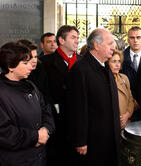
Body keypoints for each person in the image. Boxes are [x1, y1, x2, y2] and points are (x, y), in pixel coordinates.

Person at [66, 28, 120, 166]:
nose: (113, 47)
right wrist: (80, 140)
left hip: (109, 138)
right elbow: (77, 108)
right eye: (110, 43)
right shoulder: (80, 70)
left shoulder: (105, 66)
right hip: (92, 141)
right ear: (96, 45)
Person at [0, 42, 55, 166]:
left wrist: (46, 129)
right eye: (25, 63)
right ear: (10, 66)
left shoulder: (31, 85)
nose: (30, 67)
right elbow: (4, 133)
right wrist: (35, 137)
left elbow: (46, 110)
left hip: (39, 158)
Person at [39, 25, 80, 166]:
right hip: (56, 122)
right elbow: (42, 93)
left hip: (78, 122)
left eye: (78, 38)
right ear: (61, 40)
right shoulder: (45, 63)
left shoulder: (82, 62)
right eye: (73, 38)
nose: (77, 41)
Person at [121, 26, 141, 121]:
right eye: (132, 38)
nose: (135, 40)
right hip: (126, 107)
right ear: (128, 39)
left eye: (138, 37)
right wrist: (131, 101)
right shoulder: (120, 59)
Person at [108, 49, 134, 129]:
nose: (117, 64)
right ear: (107, 63)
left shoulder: (124, 78)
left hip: (126, 123)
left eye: (119, 61)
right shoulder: (103, 79)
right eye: (114, 61)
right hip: (111, 125)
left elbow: (130, 100)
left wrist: (127, 115)